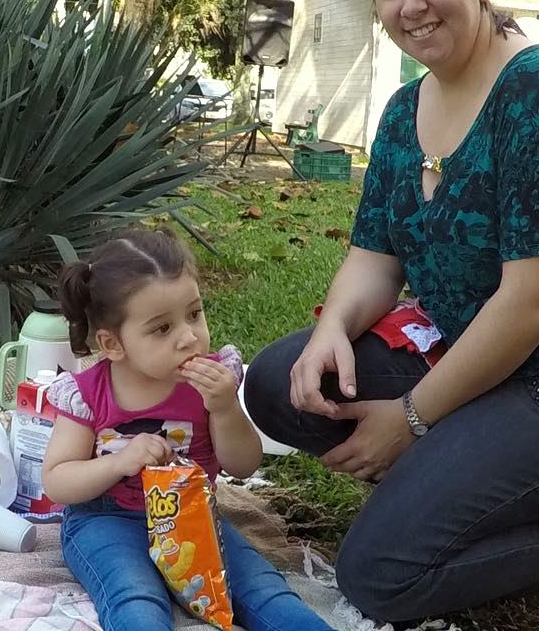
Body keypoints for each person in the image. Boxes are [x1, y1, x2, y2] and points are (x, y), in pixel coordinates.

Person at [242, 0, 539, 628]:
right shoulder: (405, 108)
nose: (410, 4)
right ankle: (456, 487)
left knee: (380, 574)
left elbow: (534, 303)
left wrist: (411, 420)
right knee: (279, 385)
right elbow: (375, 255)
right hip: (469, 358)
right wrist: (332, 331)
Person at [41, 228, 333, 631]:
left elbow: (244, 465)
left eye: (194, 314)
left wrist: (225, 408)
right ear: (113, 344)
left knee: (263, 590)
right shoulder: (89, 394)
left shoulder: (211, 382)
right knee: (135, 598)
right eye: (162, 329)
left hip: (194, 516)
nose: (189, 337)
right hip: (106, 520)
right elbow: (57, 481)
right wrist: (120, 462)